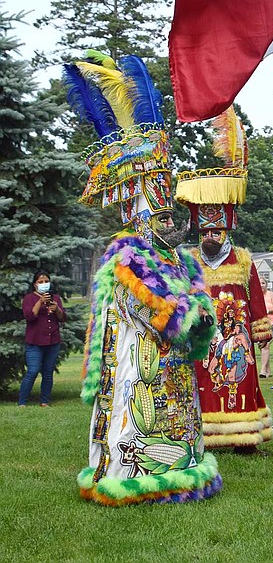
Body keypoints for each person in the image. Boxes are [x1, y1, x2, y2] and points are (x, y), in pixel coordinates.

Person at [64, 52, 221, 505]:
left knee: (175, 417)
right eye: (158, 204)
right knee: (142, 419)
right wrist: (191, 317)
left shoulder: (178, 255)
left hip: (173, 364)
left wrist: (199, 314)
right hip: (140, 361)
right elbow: (158, 309)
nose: (168, 212)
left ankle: (180, 468)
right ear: (137, 210)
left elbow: (196, 300)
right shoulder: (129, 255)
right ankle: (135, 476)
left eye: (168, 200)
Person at [176, 106, 273, 450]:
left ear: (226, 228)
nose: (211, 236)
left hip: (237, 337)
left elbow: (257, 297)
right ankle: (204, 437)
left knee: (241, 383)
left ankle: (245, 438)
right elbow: (181, 297)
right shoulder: (187, 260)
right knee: (201, 382)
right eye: (206, 230)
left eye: (217, 230)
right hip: (202, 337)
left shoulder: (243, 258)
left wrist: (261, 330)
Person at [18, 270, 66, 407]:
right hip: (34, 342)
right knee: (32, 371)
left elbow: (62, 318)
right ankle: (22, 402)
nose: (44, 284)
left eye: (46, 281)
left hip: (53, 341)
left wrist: (57, 309)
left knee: (48, 372)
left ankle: (44, 401)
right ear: (35, 284)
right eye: (40, 282)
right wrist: (40, 301)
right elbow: (30, 316)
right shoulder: (29, 298)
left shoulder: (56, 298)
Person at [259, 276, 273, 378]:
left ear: (266, 285)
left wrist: (268, 311)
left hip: (272, 324)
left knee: (266, 345)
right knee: (263, 347)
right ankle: (268, 371)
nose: (261, 285)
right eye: (259, 283)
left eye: (263, 283)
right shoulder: (255, 296)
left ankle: (262, 370)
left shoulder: (271, 295)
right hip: (260, 325)